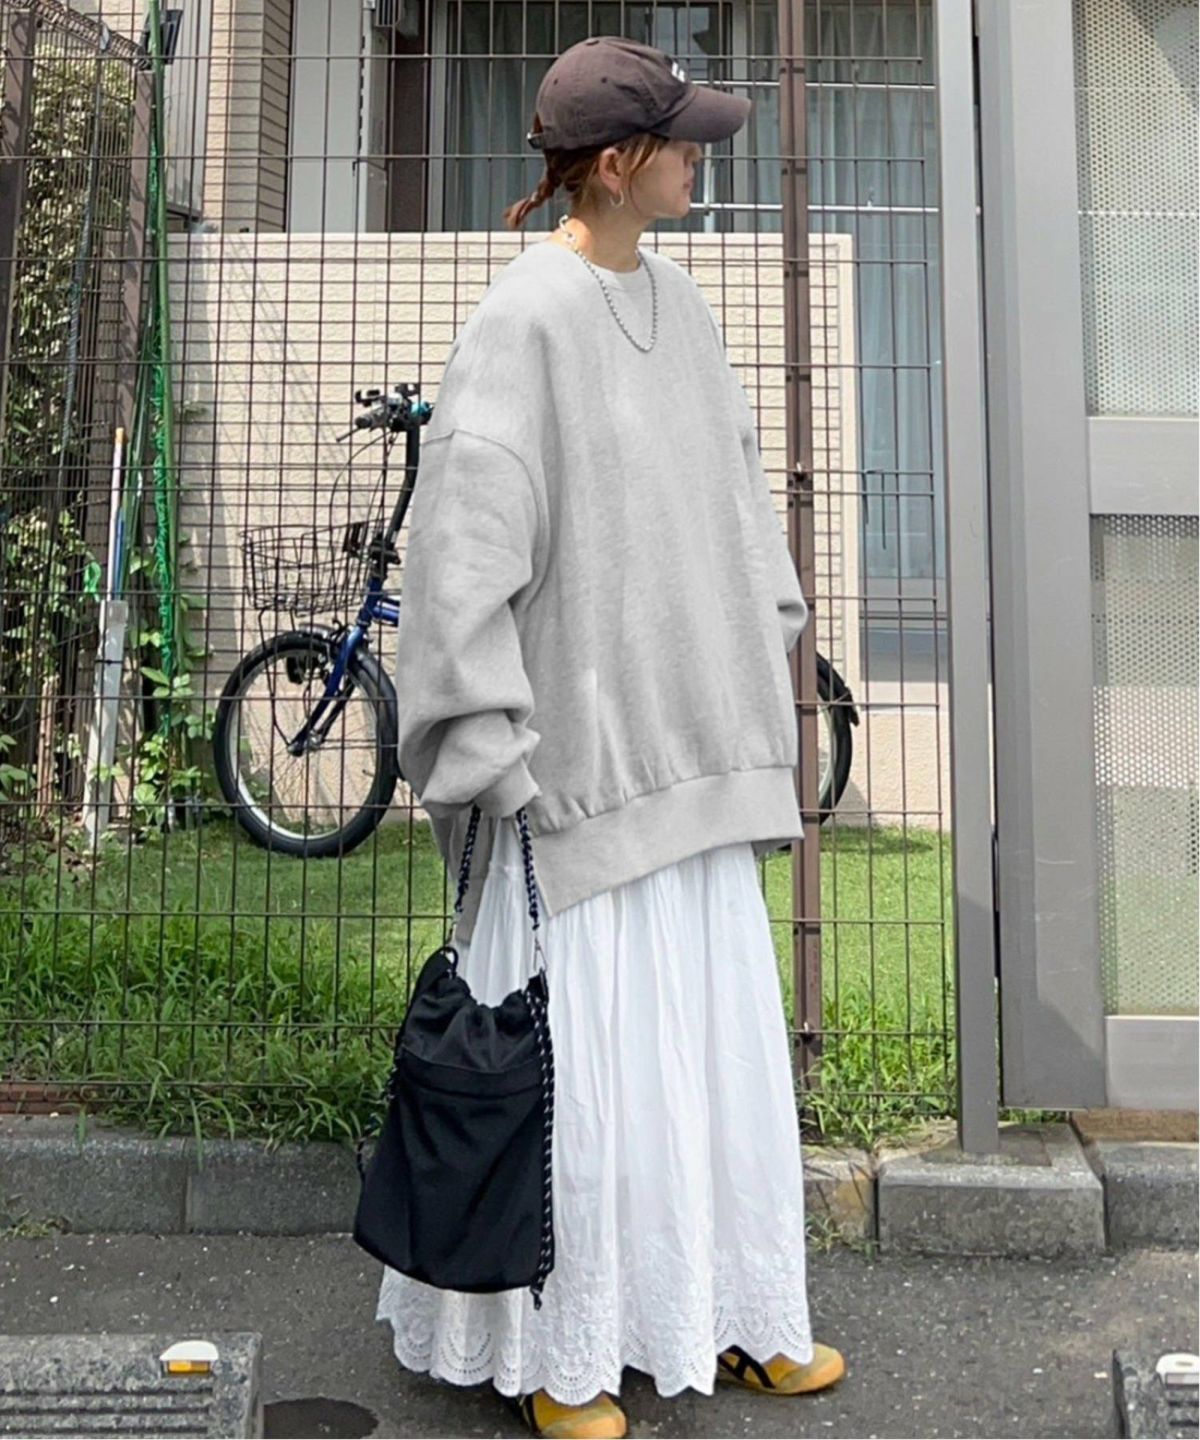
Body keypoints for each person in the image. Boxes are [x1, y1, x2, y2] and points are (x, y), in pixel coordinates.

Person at [373, 35, 846, 1440]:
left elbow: (734, 499)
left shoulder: (683, 305)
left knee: (707, 1062)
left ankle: (734, 1316)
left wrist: (766, 629)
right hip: (573, 782)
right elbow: (462, 550)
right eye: (681, 140)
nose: (700, 159)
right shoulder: (523, 319)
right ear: (618, 161)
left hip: (696, 750)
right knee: (590, 1077)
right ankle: (563, 1357)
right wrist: (488, 749)